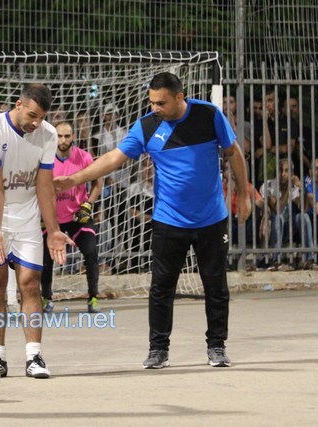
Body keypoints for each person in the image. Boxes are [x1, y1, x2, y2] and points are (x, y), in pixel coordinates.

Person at [55, 72, 250, 369]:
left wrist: (245, 194)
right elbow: (114, 158)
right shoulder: (147, 126)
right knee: (161, 286)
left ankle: (217, 346)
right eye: (151, 101)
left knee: (215, 285)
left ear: (179, 97)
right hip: (168, 220)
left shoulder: (209, 115)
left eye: (161, 102)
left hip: (211, 218)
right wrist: (73, 180)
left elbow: (234, 152)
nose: (155, 107)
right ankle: (158, 348)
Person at [0, 83, 73, 380]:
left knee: (30, 283)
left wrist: (53, 229)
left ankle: (34, 356)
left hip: (27, 215)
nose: (35, 123)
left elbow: (44, 184)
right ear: (18, 105)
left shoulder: (47, 133)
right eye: (31, 115)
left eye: (41, 117)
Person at [41, 121, 103, 313]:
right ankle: (46, 298)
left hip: (78, 217)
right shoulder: (45, 158)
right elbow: (38, 188)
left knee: (91, 252)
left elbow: (98, 183)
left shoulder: (84, 157)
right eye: (59, 136)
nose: (63, 140)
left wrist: (88, 204)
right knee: (45, 258)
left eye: (67, 136)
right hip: (53, 219)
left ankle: (93, 297)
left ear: (74, 137)